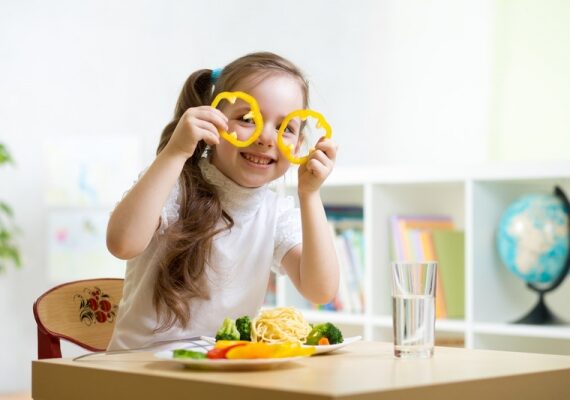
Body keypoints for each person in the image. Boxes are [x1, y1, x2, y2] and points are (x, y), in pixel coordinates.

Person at [106, 52, 340, 350]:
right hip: (138, 371)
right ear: (213, 120)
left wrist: (310, 194)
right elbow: (121, 243)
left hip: (219, 372)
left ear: (299, 146)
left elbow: (320, 290)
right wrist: (176, 151)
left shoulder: (275, 212)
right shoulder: (173, 185)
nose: (267, 137)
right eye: (247, 119)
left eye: (286, 128)